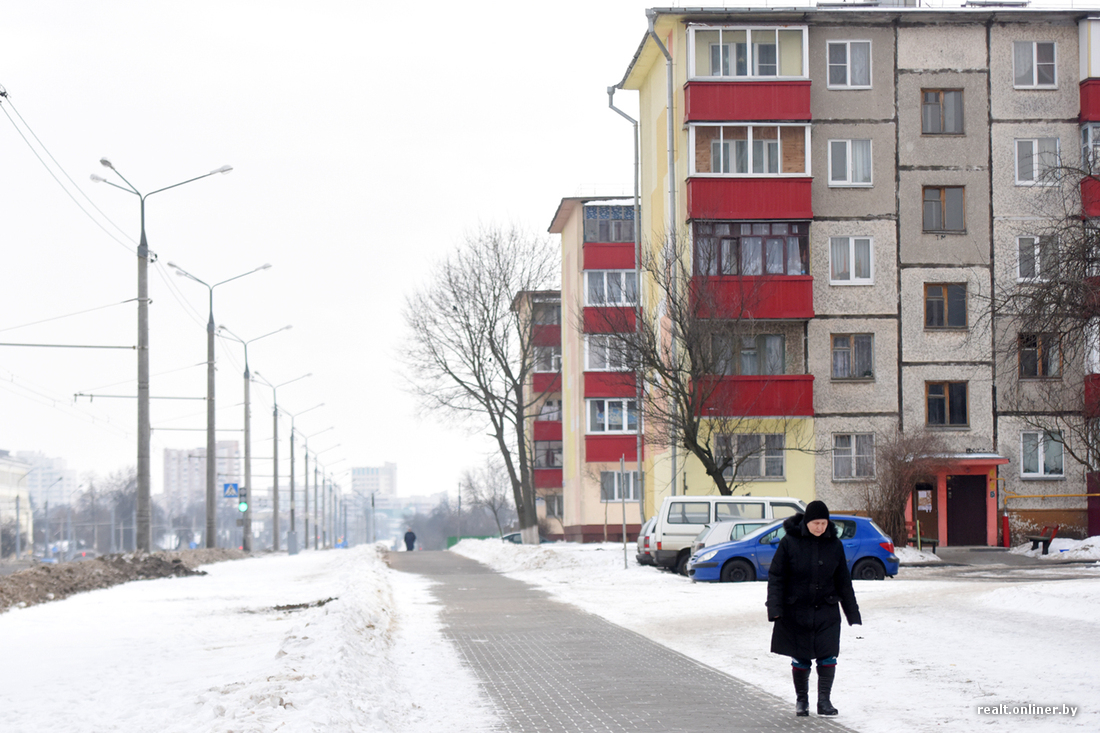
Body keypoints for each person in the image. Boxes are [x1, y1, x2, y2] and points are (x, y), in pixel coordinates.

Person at [766, 500, 861, 717]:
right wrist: (775, 608)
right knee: (800, 657)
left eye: (823, 523)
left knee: (827, 655)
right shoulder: (789, 542)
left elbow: (843, 582)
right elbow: (776, 577)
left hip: (826, 610)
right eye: (816, 523)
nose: (820, 527)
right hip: (795, 610)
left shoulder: (834, 545)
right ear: (807, 522)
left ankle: (824, 701)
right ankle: (802, 701)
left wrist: (852, 613)